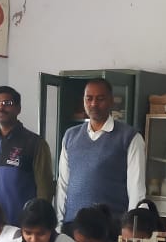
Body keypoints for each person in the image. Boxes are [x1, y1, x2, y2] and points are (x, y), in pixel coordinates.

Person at [56, 78, 146, 231]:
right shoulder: (71, 136)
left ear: (111, 101)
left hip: (110, 228)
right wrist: (58, 226)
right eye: (89, 98)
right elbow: (63, 185)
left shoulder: (129, 137)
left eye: (100, 99)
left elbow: (136, 189)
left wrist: (131, 230)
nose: (93, 104)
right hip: (73, 227)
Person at [0, 86, 54, 228]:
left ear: (18, 108)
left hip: (23, 227)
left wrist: (38, 223)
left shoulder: (35, 143)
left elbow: (45, 190)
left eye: (7, 103)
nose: (1, 107)